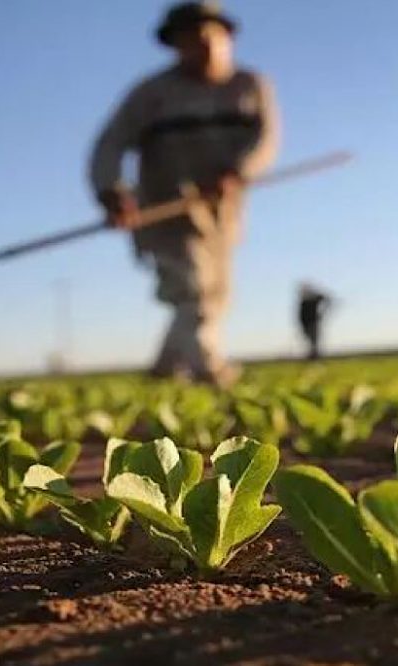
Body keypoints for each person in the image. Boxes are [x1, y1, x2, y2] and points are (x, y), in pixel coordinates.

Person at [90, 2, 279, 387]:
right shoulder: (152, 94)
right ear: (175, 45)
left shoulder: (250, 86)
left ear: (227, 38)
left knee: (216, 295)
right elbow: (109, 145)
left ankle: (163, 371)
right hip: (165, 212)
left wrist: (237, 172)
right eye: (191, 39)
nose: (203, 45)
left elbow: (266, 139)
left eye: (211, 36)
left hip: (221, 214)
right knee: (193, 289)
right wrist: (111, 191)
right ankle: (210, 371)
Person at [297, 283, 332, 360]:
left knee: (314, 342)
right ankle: (313, 356)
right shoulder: (303, 301)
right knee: (311, 342)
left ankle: (315, 357)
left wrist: (322, 313)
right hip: (306, 324)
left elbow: (327, 299)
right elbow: (301, 315)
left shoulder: (314, 298)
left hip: (313, 323)